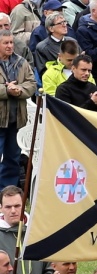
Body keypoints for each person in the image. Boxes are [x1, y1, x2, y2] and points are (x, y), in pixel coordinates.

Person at [0, 31, 32, 189]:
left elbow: (31, 84)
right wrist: (7, 91)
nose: (10, 46)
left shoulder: (22, 62)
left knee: (13, 158)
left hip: (16, 120)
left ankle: (9, 192)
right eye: (5, 43)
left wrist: (18, 89)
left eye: (11, 42)